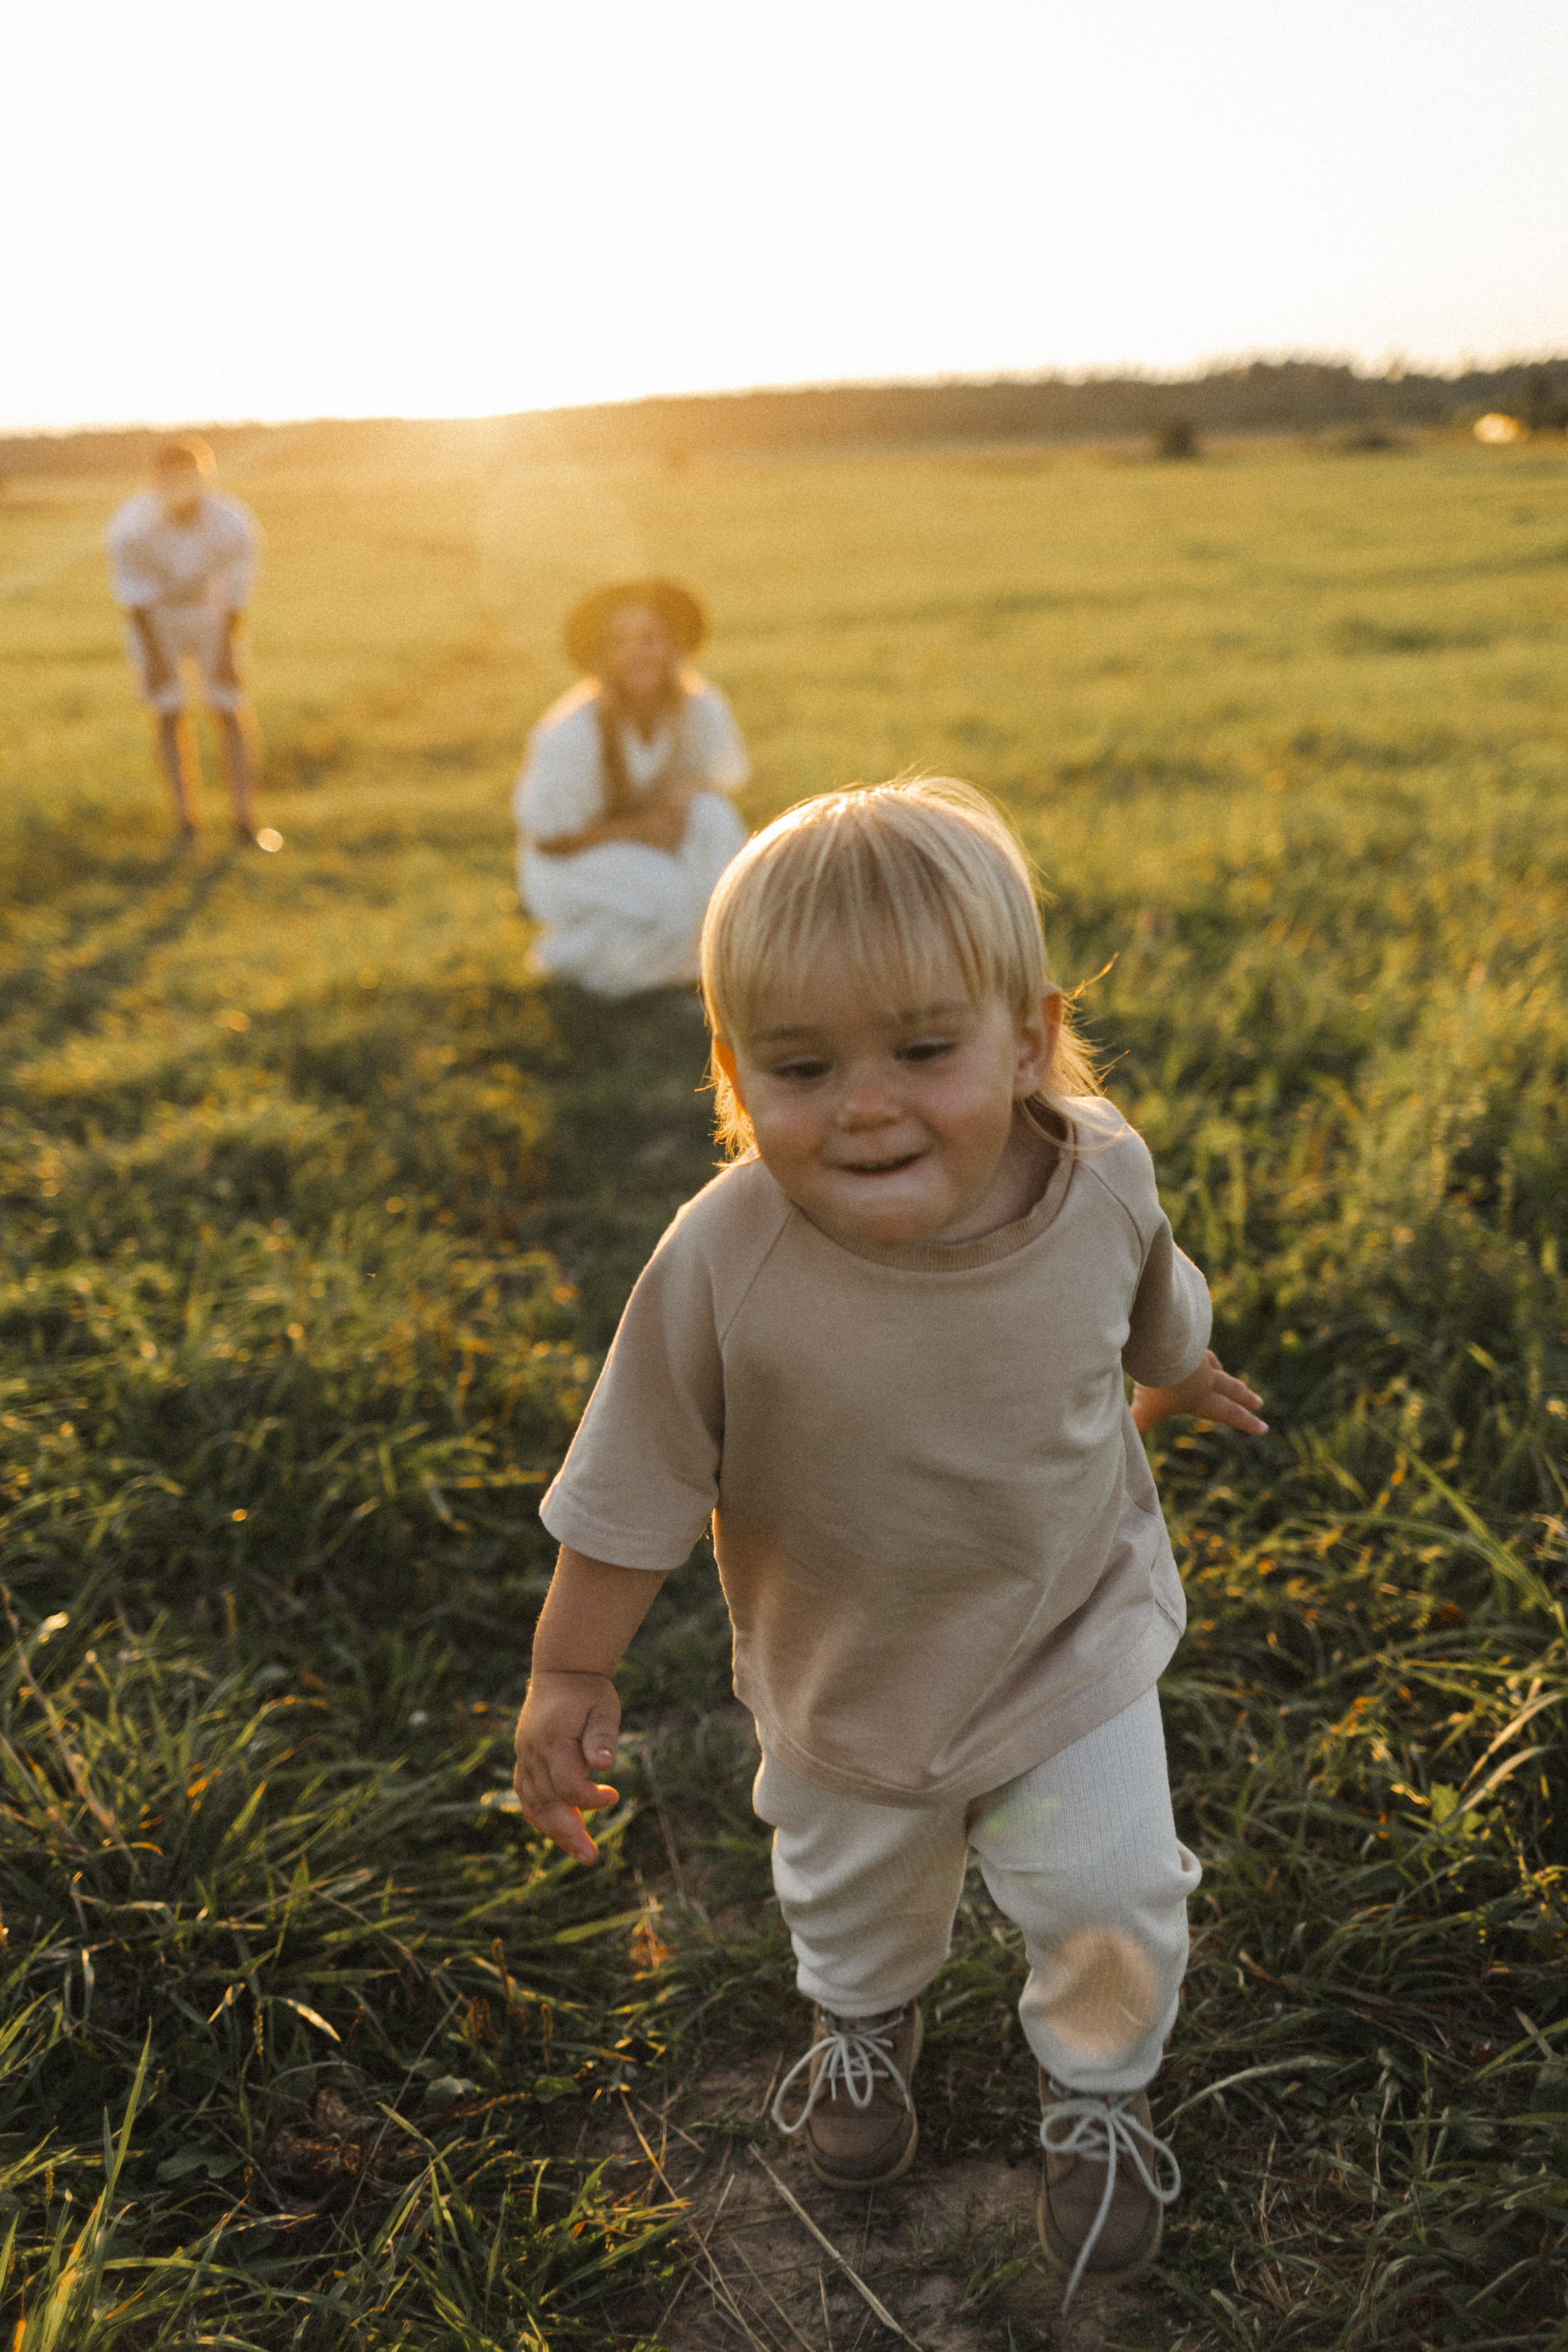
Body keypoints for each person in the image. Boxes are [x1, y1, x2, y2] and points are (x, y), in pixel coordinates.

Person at [512, 778, 1268, 2303]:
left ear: (1028, 1038)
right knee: (853, 1896)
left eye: (923, 1050)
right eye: (803, 1065)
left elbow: (1151, 1306)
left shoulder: (1097, 1177)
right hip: (845, 1670)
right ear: (733, 1074)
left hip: (1066, 1640)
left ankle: (1097, 2096)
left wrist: (1179, 1374)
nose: (864, 1102)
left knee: (1106, 1888)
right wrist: (566, 1669)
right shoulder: (722, 1258)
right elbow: (631, 1475)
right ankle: (863, 2022)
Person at [512, 579, 748, 997]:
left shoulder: (700, 707)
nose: (638, 653)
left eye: (650, 639)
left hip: (660, 845)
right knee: (673, 896)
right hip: (574, 859)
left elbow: (721, 776)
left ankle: (723, 954)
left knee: (715, 816)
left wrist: (688, 786)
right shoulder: (572, 732)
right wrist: (642, 830)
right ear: (603, 655)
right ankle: (571, 959)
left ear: (673, 646)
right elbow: (551, 841)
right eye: (620, 642)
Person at [106, 436, 275, 851]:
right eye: (171, 479)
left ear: (205, 478)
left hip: (212, 614)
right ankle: (188, 824)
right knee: (167, 713)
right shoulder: (131, 523)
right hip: (155, 618)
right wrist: (157, 660)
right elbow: (135, 596)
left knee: (230, 707)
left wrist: (226, 650)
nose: (181, 487)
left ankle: (244, 822)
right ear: (157, 481)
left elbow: (238, 587)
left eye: (189, 478)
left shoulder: (231, 519)